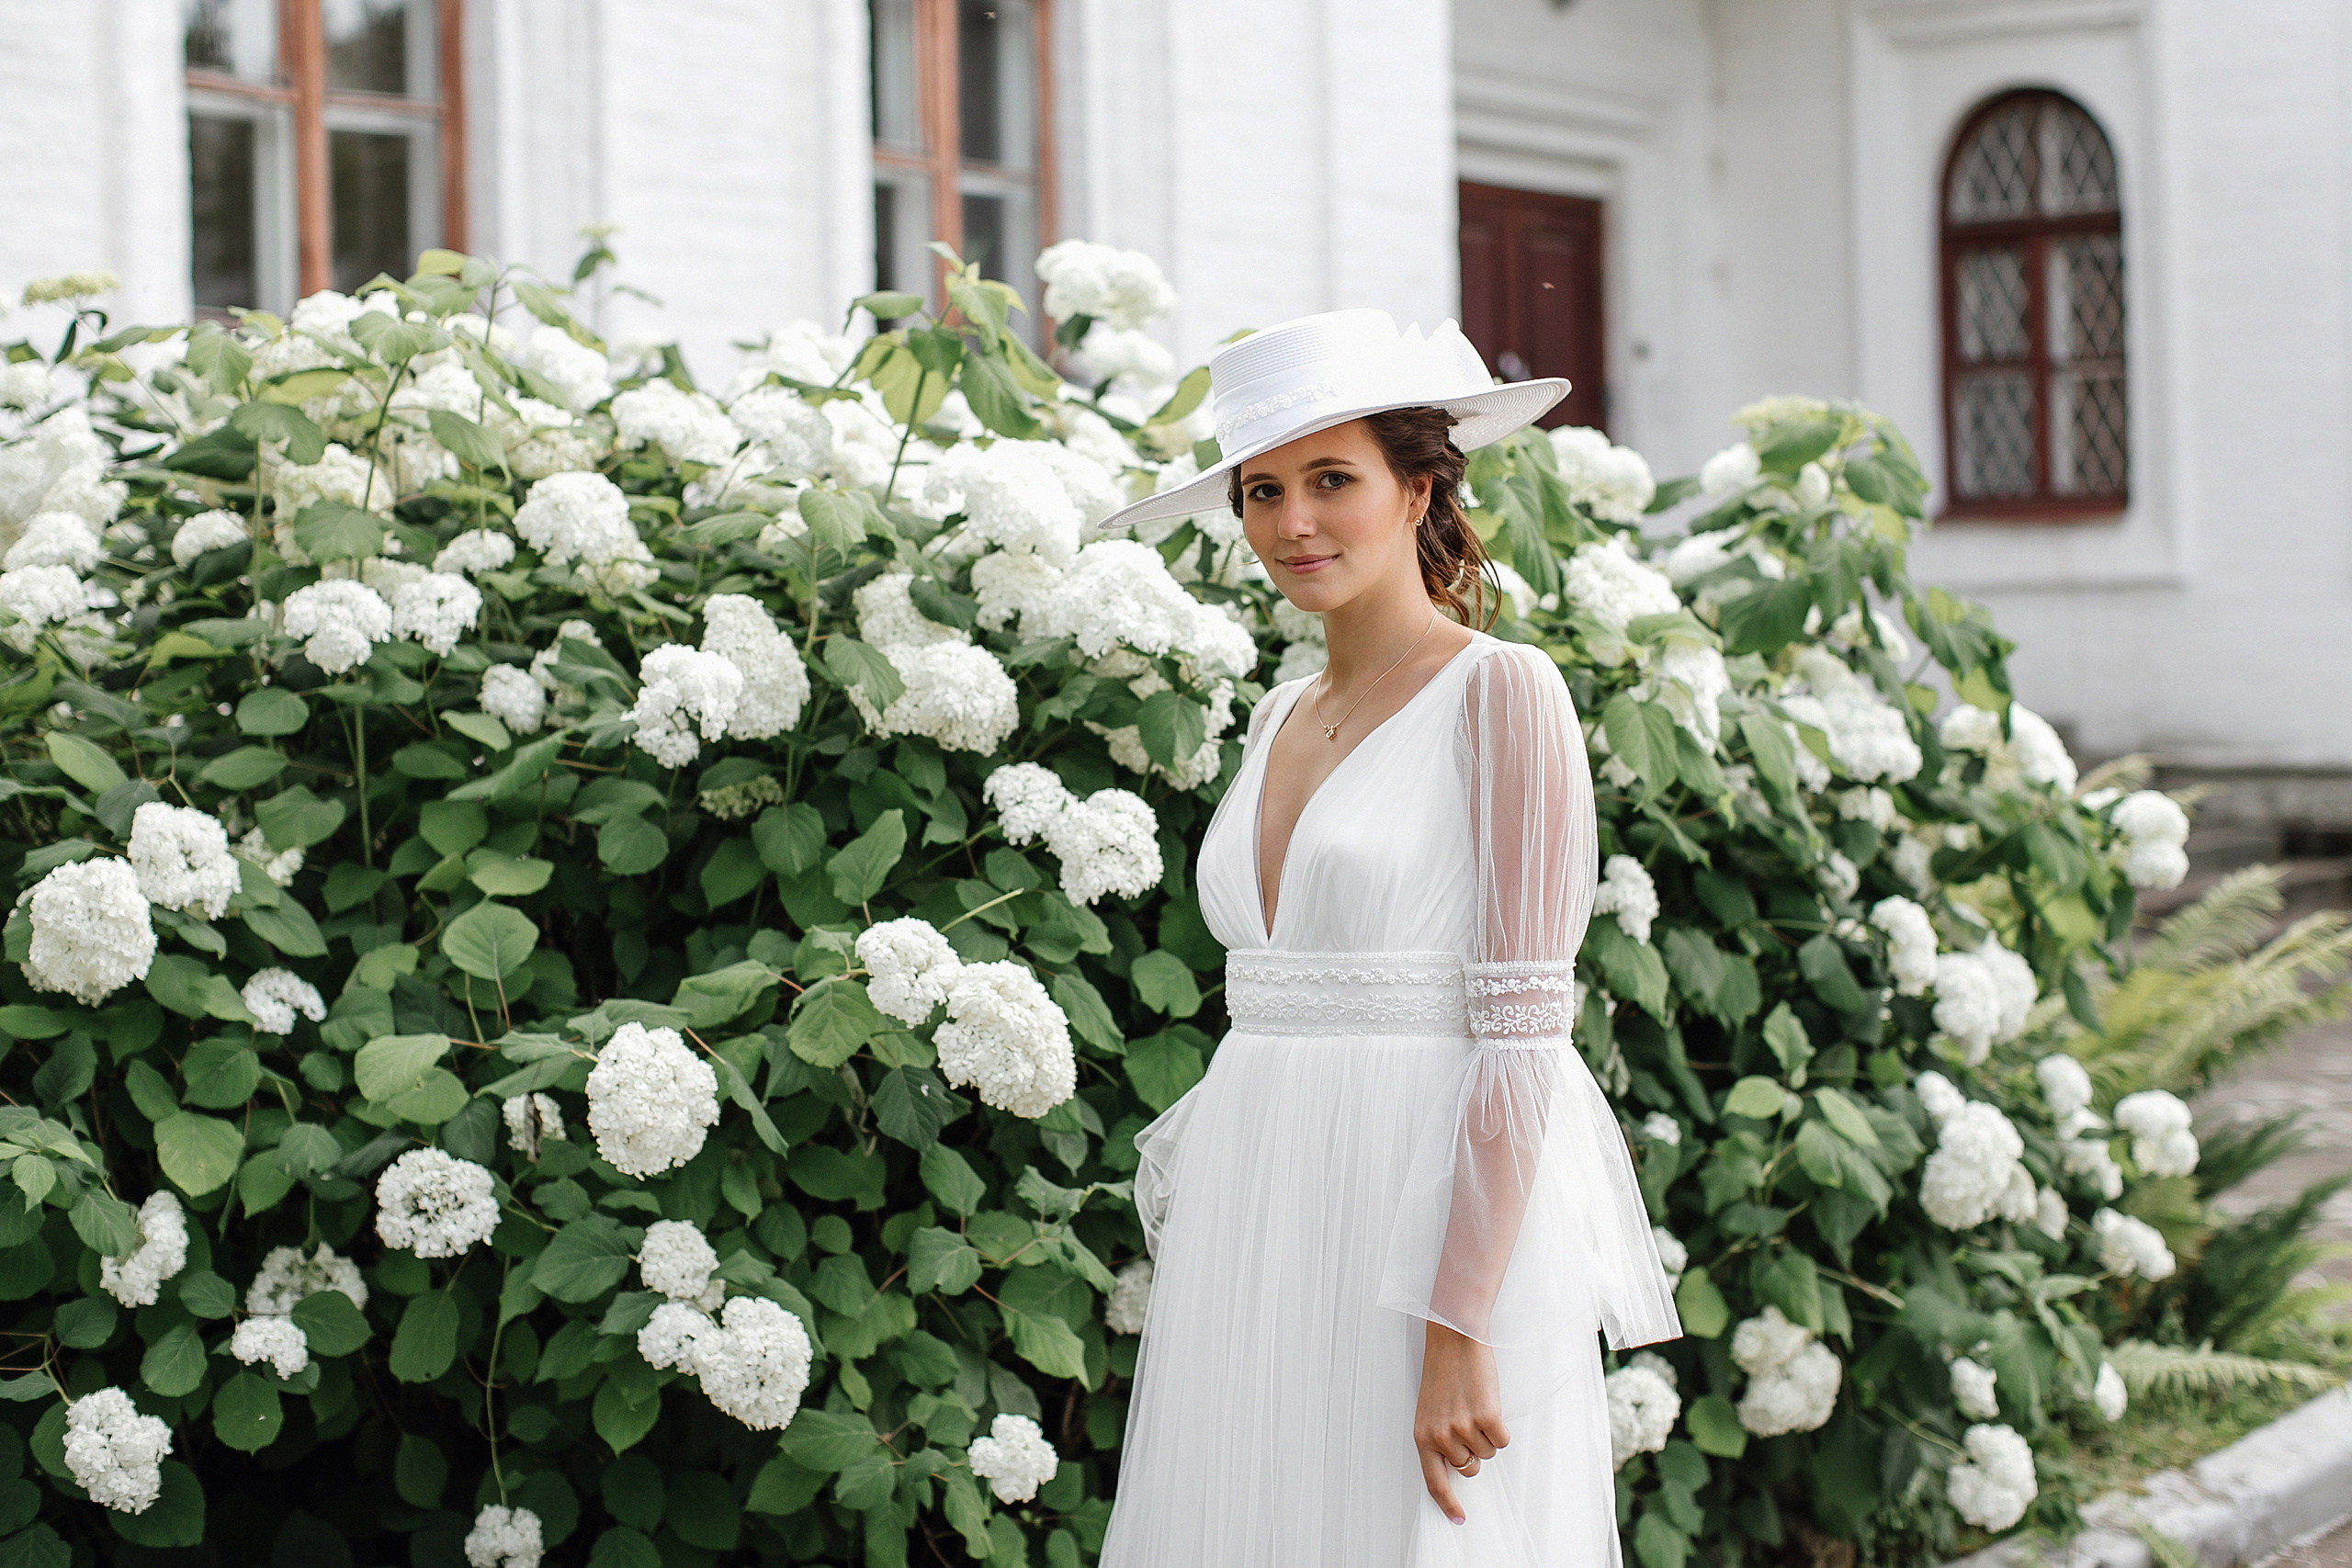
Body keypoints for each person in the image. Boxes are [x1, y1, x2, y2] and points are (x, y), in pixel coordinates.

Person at [1091, 310, 1683, 1567]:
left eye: (1332, 481)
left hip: (1425, 1224)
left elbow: (1522, 1034)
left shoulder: (1503, 693)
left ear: (1418, 491)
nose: (1293, 522)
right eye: (1262, 491)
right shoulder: (1274, 717)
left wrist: (1458, 1325)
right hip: (1263, 1201)